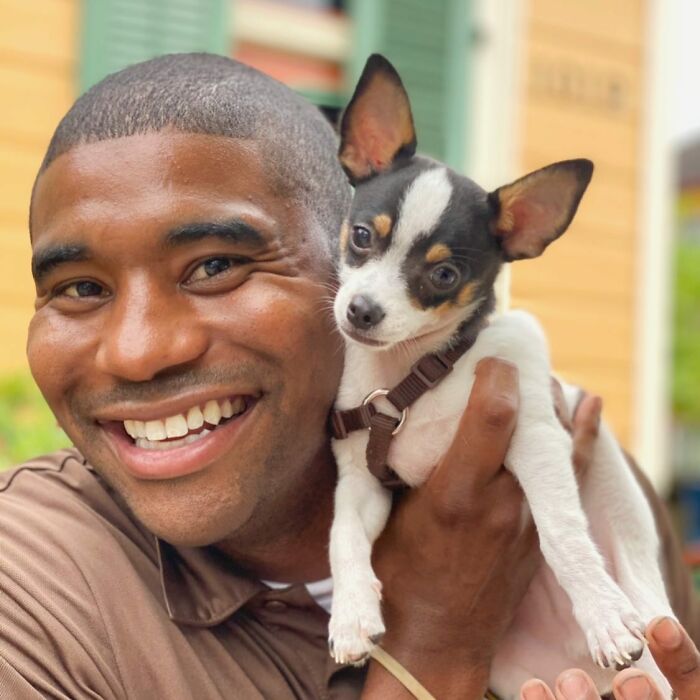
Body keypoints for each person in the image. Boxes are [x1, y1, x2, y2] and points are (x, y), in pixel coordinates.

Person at [0, 52, 696, 699]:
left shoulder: (587, 475)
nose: (138, 351)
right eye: (80, 288)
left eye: (215, 266)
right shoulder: (29, 592)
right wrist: (435, 639)